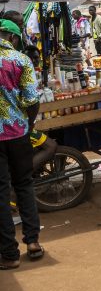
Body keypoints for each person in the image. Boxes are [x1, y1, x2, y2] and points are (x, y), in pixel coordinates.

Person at [0, 19, 43, 270]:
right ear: (13, 38)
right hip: (18, 134)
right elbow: (32, 100)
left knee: (1, 192)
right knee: (24, 185)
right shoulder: (20, 60)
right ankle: (33, 242)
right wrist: (27, 125)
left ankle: (9, 253)